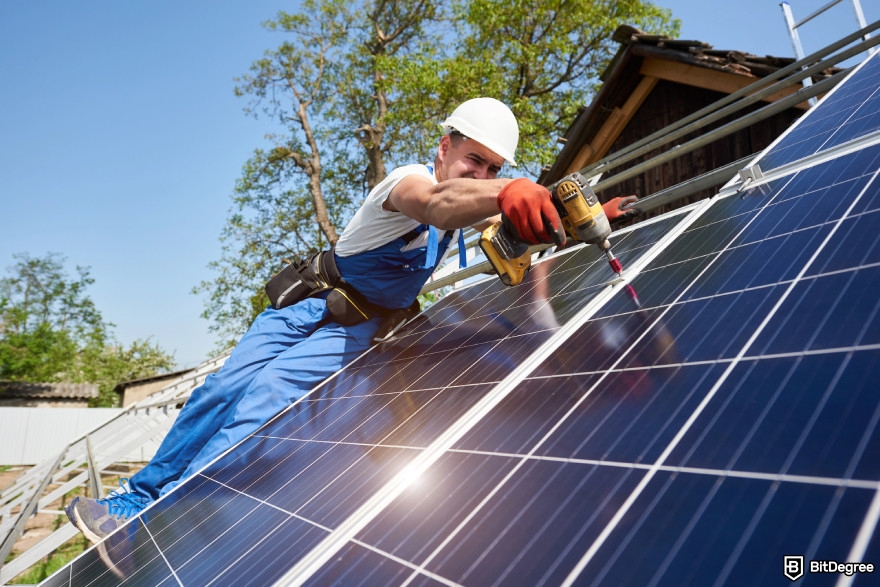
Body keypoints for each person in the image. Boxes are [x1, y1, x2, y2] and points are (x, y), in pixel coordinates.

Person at [65, 97, 639, 545]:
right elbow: (439, 202)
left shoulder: (472, 203)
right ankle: (132, 500)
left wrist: (567, 220)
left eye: (495, 168)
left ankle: (157, 519)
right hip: (310, 303)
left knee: (265, 404)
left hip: (359, 328)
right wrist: (509, 190)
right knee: (222, 388)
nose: (484, 174)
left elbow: (501, 235)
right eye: (475, 160)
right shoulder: (409, 183)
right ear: (445, 148)